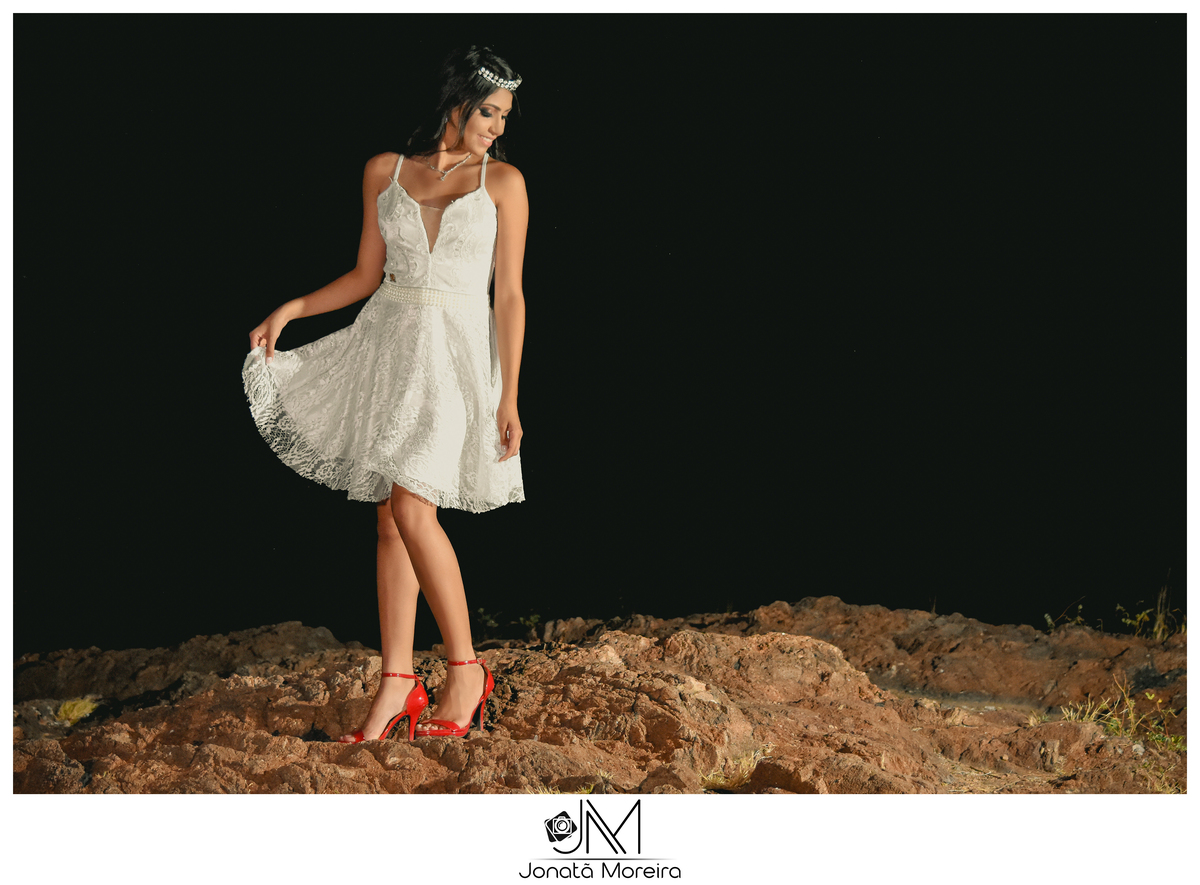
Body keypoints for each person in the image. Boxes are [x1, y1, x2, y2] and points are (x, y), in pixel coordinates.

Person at [242, 46, 526, 743]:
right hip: (389, 347)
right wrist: (291, 309)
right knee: (389, 518)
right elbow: (365, 275)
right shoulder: (384, 171)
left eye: (504, 116)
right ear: (456, 103)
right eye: (489, 112)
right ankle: (397, 681)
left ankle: (466, 670)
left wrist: (509, 395)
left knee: (412, 505)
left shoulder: (504, 182)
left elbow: (510, 296)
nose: (497, 128)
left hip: (455, 356)